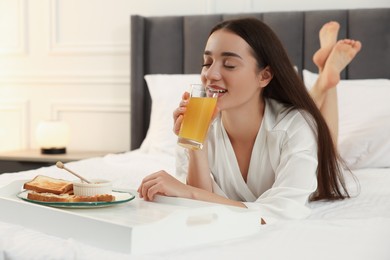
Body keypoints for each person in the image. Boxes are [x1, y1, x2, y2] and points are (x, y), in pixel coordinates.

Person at [137, 18, 361, 220]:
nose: (210, 75)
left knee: (326, 148)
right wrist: (197, 144)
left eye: (229, 65)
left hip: (301, 134)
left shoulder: (293, 127)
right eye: (207, 62)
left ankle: (326, 80)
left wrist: (189, 192)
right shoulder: (195, 125)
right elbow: (200, 207)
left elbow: (281, 211)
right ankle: (325, 76)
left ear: (264, 76)